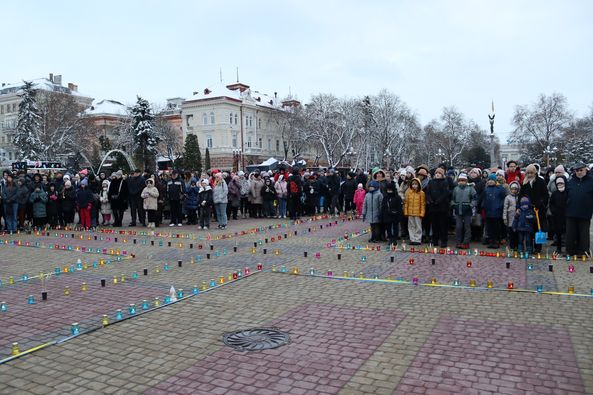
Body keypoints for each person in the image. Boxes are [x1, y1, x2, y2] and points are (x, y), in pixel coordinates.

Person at [519, 164, 549, 253]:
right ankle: (529, 247)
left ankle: (538, 247)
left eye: (531, 173)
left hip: (539, 209)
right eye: (528, 173)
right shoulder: (524, 183)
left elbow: (545, 194)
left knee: (538, 228)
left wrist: (541, 203)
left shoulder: (540, 181)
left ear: (535, 172)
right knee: (529, 229)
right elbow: (521, 195)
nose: (530, 175)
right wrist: (523, 204)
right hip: (527, 209)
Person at [565, 163, 593, 257]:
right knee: (570, 233)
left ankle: (583, 252)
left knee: (583, 233)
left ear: (585, 170)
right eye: (577, 170)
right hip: (571, 211)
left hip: (585, 212)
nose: (579, 172)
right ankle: (570, 251)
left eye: (581, 170)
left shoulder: (591, 180)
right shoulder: (571, 181)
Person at [425, 167, 451, 248]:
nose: (437, 175)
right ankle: (435, 240)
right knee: (434, 224)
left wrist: (438, 201)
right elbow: (427, 192)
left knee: (443, 225)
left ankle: (443, 240)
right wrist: (430, 200)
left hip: (442, 207)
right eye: (436, 173)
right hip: (433, 207)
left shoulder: (445, 182)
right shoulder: (431, 182)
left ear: (442, 175)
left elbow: (445, 193)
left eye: (439, 173)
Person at [451, 173, 477, 249]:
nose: (461, 182)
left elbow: (475, 198)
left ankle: (466, 242)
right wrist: (453, 205)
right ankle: (458, 242)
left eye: (463, 180)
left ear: (466, 181)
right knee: (458, 227)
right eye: (460, 180)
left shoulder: (470, 188)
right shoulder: (456, 189)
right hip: (458, 209)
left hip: (467, 210)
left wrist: (471, 205)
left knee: (467, 227)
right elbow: (452, 198)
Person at [482, 173, 507, 248]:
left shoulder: (500, 188)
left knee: (496, 227)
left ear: (495, 180)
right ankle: (491, 241)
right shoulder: (486, 189)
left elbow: (503, 198)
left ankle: (496, 241)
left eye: (492, 180)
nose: (490, 181)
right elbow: (484, 199)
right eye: (489, 180)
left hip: (497, 212)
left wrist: (500, 206)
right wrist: (483, 206)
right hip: (488, 211)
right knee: (489, 228)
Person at [549, 175, 567, 255]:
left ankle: (568, 247)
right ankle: (558, 248)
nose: (560, 184)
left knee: (567, 233)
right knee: (558, 233)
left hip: (567, 216)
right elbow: (551, 204)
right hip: (557, 216)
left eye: (561, 183)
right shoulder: (555, 193)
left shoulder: (568, 192)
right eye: (558, 183)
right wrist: (554, 211)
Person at [404, 178, 425, 245]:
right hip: (410, 212)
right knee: (411, 226)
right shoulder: (409, 193)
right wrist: (406, 211)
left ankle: (418, 239)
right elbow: (406, 203)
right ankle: (412, 239)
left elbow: (423, 204)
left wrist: (422, 213)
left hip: (418, 213)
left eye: (416, 184)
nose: (414, 186)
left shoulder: (421, 193)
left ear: (418, 185)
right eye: (413, 184)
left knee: (418, 226)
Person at [503, 181, 521, 251]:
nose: (514, 190)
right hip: (510, 217)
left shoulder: (519, 197)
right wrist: (505, 218)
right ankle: (512, 246)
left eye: (515, 189)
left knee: (517, 233)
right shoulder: (508, 197)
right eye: (513, 189)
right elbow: (505, 208)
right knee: (511, 233)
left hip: (518, 218)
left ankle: (517, 245)